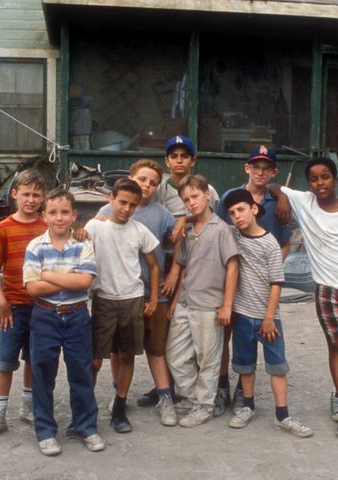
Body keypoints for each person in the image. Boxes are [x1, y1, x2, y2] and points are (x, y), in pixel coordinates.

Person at [269, 157, 338, 438]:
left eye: (326, 177)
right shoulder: (304, 201)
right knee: (337, 343)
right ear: (309, 184)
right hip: (327, 289)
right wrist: (282, 197)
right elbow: (272, 186)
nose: (320, 183)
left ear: (336, 179)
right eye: (314, 179)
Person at [138, 135, 219, 407]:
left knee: (194, 325)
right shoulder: (159, 188)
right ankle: (166, 385)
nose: (179, 161)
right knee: (168, 326)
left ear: (193, 160)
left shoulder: (206, 189)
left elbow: (210, 218)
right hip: (164, 258)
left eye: (185, 156)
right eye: (174, 156)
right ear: (167, 161)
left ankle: (207, 388)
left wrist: (185, 219)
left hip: (194, 260)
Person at [223, 189, 313, 437]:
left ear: (254, 209)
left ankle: (282, 415)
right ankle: (248, 406)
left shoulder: (270, 243)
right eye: (232, 213)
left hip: (268, 318)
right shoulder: (233, 236)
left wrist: (269, 317)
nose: (237, 216)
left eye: (241, 210)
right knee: (245, 365)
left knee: (277, 365)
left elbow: (276, 283)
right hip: (242, 314)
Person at [23, 187, 104, 456]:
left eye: (65, 212)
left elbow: (84, 282)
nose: (59, 218)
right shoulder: (36, 246)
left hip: (77, 315)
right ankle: (46, 432)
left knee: (81, 373)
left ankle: (86, 427)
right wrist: (69, 277)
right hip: (45, 316)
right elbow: (32, 288)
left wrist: (48, 274)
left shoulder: (83, 244)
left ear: (74, 215)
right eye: (53, 212)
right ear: (44, 215)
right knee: (42, 374)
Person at [98, 159, 178, 427]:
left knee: (156, 349)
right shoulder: (108, 210)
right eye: (142, 179)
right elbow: (93, 234)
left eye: (153, 183)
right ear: (131, 178)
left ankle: (165, 397)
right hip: (119, 294)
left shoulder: (162, 214)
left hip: (153, 293)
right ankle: (118, 395)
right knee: (118, 350)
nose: (147, 185)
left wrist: (173, 274)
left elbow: (178, 242)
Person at [214, 145, 292, 417]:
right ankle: (222, 385)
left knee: (251, 341)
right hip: (232, 280)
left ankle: (243, 393)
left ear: (273, 172)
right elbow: (218, 231)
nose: (260, 172)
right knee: (227, 336)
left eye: (265, 168)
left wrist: (270, 268)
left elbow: (285, 241)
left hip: (261, 284)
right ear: (246, 168)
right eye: (255, 167)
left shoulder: (276, 202)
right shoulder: (232, 198)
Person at [0, 170, 48, 442]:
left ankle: (28, 407)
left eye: (36, 195)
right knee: (5, 361)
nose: (31, 200)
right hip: (13, 309)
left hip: (42, 308)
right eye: (26, 194)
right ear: (15, 194)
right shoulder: (3, 228)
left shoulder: (47, 227)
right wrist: (1, 301)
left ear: (43, 198)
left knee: (34, 359)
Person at [85, 178, 160, 433]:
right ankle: (85, 410)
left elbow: (154, 265)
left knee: (127, 354)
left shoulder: (139, 230)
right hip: (104, 299)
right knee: (95, 360)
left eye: (132, 205)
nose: (127, 209)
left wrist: (152, 298)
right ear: (111, 199)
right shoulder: (95, 226)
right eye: (122, 202)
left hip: (132, 299)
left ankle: (120, 405)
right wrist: (78, 231)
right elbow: (77, 245)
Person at [166, 175, 239, 428]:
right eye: (186, 200)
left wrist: (227, 305)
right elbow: (184, 266)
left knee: (208, 357)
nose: (191, 203)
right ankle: (191, 396)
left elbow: (232, 267)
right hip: (186, 301)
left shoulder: (221, 229)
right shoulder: (187, 231)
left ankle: (205, 405)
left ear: (207, 195)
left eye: (195, 196)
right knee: (175, 354)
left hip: (209, 304)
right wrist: (175, 300)